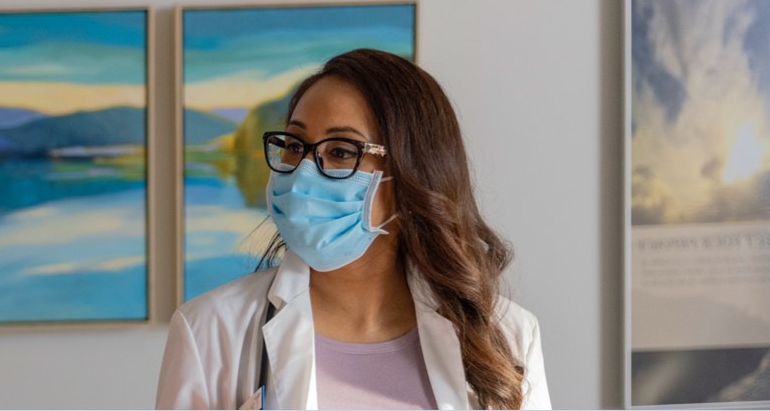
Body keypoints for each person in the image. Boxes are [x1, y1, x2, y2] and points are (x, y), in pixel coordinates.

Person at [156, 49, 550, 410]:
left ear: (412, 172)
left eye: (341, 151)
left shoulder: (505, 335)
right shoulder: (210, 329)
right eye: (295, 145)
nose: (303, 172)